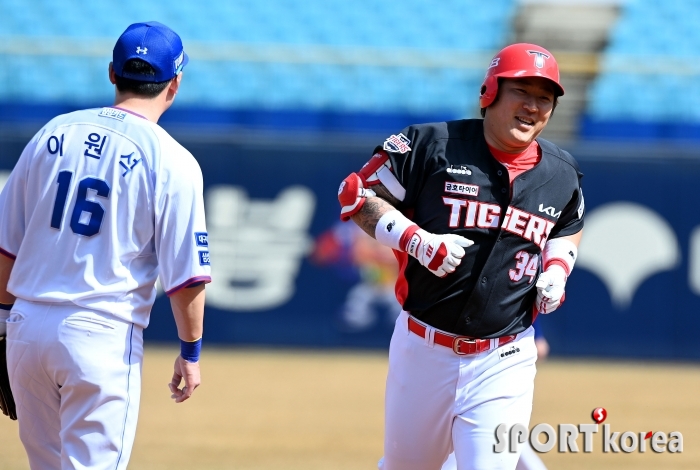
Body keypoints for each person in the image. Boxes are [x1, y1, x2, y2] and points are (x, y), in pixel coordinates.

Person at [337, 43, 584, 469]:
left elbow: (567, 227)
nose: (532, 107)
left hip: (505, 356)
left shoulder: (561, 173)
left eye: (544, 98)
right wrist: (416, 240)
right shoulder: (431, 144)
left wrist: (558, 269)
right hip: (423, 348)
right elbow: (357, 196)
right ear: (490, 92)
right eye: (521, 92)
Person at [0, 21, 211, 469]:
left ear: (113, 74)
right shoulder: (171, 159)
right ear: (175, 83)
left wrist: (1, 324)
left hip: (26, 328)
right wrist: (190, 351)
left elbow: (5, 247)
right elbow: (188, 276)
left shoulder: (53, 132)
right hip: (99, 334)